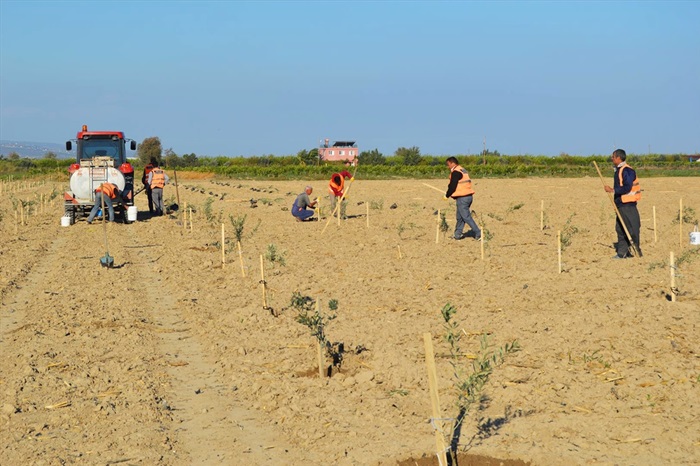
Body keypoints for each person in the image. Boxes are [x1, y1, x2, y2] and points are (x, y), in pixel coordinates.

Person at [604, 149, 642, 259]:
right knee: (620, 229)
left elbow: (627, 187)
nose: (611, 158)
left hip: (628, 205)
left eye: (613, 157)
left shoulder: (627, 171)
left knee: (632, 228)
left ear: (619, 158)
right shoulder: (618, 170)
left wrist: (612, 190)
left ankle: (635, 250)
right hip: (620, 205)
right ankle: (622, 253)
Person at [445, 156, 481, 241]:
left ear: (452, 163)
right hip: (468, 196)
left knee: (466, 217)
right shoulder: (462, 170)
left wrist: (447, 195)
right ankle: (457, 234)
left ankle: (478, 233)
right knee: (460, 217)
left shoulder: (456, 172)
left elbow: (453, 186)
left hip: (463, 198)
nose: (448, 166)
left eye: (448, 164)